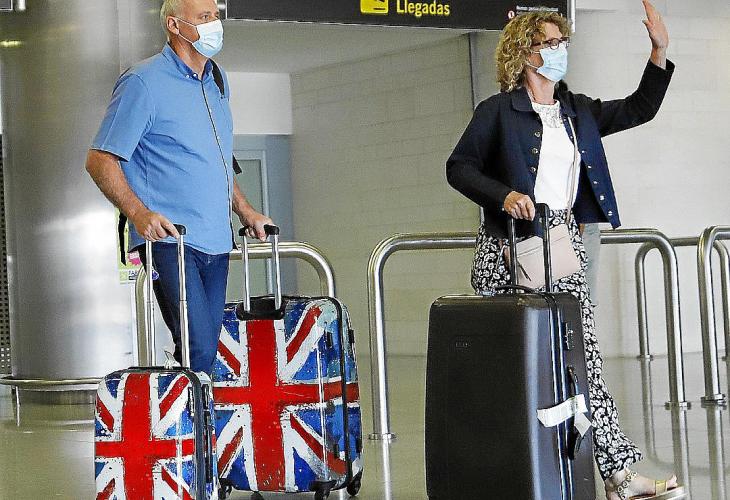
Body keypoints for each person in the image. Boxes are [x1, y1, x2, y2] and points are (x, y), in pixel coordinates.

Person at [445, 2, 685, 499]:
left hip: (564, 241)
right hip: (510, 248)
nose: (560, 50)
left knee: (583, 355)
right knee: (510, 361)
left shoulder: (578, 111)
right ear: (526, 52)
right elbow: (459, 166)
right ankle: (499, 466)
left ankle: (619, 475)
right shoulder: (498, 112)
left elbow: (639, 108)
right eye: (550, 43)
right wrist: (503, 195)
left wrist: (659, 50)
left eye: (562, 42)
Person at [85, 0, 272, 374]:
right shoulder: (143, 82)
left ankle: (191, 407)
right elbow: (100, 159)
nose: (214, 24)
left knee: (205, 349)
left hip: (216, 240)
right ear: (174, 25)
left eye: (215, 16)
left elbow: (218, 159)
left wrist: (245, 210)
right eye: (204, 18)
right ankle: (190, 411)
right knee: (197, 345)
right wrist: (139, 214)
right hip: (172, 240)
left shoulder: (217, 81)